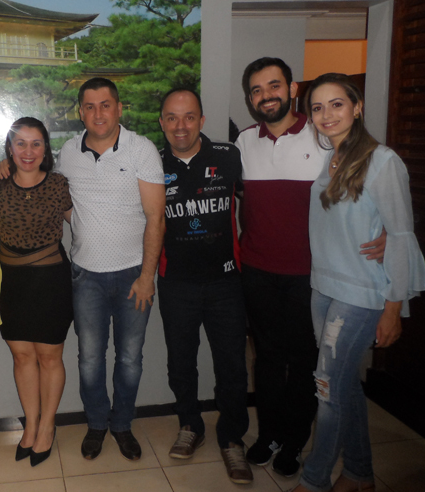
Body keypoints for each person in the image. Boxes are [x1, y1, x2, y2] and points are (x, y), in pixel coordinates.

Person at [0, 78, 165, 461]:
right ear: (80, 112)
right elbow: (49, 192)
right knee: (89, 359)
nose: (98, 113)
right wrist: (6, 164)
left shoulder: (141, 149)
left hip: (133, 274)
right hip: (85, 274)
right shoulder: (69, 152)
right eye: (89, 106)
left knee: (130, 359)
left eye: (105, 105)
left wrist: (147, 277)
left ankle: (122, 425)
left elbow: (157, 218)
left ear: (118, 108)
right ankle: (97, 424)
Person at [234, 58, 386, 477]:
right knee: (266, 359)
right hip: (258, 271)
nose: (266, 96)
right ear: (250, 99)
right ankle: (269, 434)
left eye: (273, 86)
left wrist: (388, 232)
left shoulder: (323, 137)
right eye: (256, 90)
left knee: (305, 361)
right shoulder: (244, 142)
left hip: (311, 275)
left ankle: (295, 440)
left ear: (292, 88)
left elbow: (367, 188)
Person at [294, 73, 425, 492]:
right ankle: (359, 473)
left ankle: (314, 480)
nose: (326, 115)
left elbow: (401, 235)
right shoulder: (326, 158)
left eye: (337, 104)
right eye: (317, 107)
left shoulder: (382, 161)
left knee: (326, 387)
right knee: (343, 384)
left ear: (357, 107)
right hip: (323, 288)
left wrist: (394, 307)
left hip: (361, 293)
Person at [156, 88, 252, 484]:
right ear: (162, 122)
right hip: (175, 282)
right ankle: (190, 425)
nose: (180, 126)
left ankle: (232, 438)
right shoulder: (151, 163)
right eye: (172, 117)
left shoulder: (229, 157)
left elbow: (262, 200)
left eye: (189, 116)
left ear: (202, 120)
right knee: (181, 362)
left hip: (225, 281)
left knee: (232, 364)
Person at [0, 117, 73, 467]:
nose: (28, 151)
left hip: (50, 280)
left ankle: (47, 425)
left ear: (45, 149)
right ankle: (31, 423)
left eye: (36, 143)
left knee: (49, 357)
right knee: (22, 356)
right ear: (10, 148)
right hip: (12, 281)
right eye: (20, 143)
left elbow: (79, 219)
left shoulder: (58, 184)